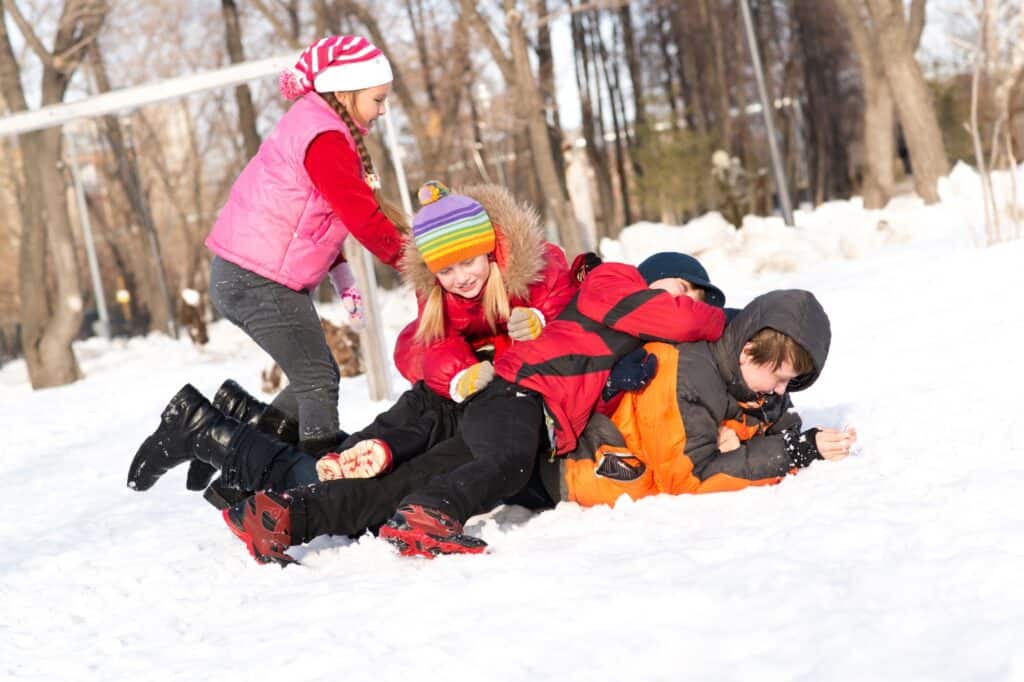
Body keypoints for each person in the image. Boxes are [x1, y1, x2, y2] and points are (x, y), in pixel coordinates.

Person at [216, 251, 727, 564]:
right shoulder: (615, 281)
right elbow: (678, 321)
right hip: (519, 392)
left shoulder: (630, 331)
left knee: (397, 491)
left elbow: (592, 376)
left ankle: (282, 515)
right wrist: (727, 320)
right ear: (655, 277)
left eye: (700, 297)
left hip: (516, 400)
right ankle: (436, 513)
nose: (692, 302)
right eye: (685, 290)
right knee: (506, 463)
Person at [126, 182, 576, 504]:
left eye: (467, 264)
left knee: (365, 466)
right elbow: (424, 346)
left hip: (476, 403)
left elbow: (560, 306)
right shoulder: (454, 291)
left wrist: (525, 330)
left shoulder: (533, 279)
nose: (461, 278)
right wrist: (464, 373)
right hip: (458, 402)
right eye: (447, 270)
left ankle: (242, 430)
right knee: (361, 473)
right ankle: (215, 437)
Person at [200, 34, 408, 465]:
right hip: (256, 276)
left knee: (315, 374)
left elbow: (315, 221)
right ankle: (316, 483)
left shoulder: (320, 124)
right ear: (346, 92)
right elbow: (361, 216)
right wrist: (417, 262)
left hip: (251, 272)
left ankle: (236, 454)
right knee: (316, 378)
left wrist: (344, 275)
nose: (383, 109)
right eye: (378, 99)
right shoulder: (325, 138)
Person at [558, 288, 857, 507]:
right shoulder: (685, 373)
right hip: (574, 470)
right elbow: (688, 478)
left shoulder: (758, 383)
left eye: (790, 381)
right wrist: (793, 452)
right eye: (780, 378)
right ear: (748, 350)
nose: (782, 391)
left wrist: (747, 444)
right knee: (635, 488)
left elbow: (783, 430)